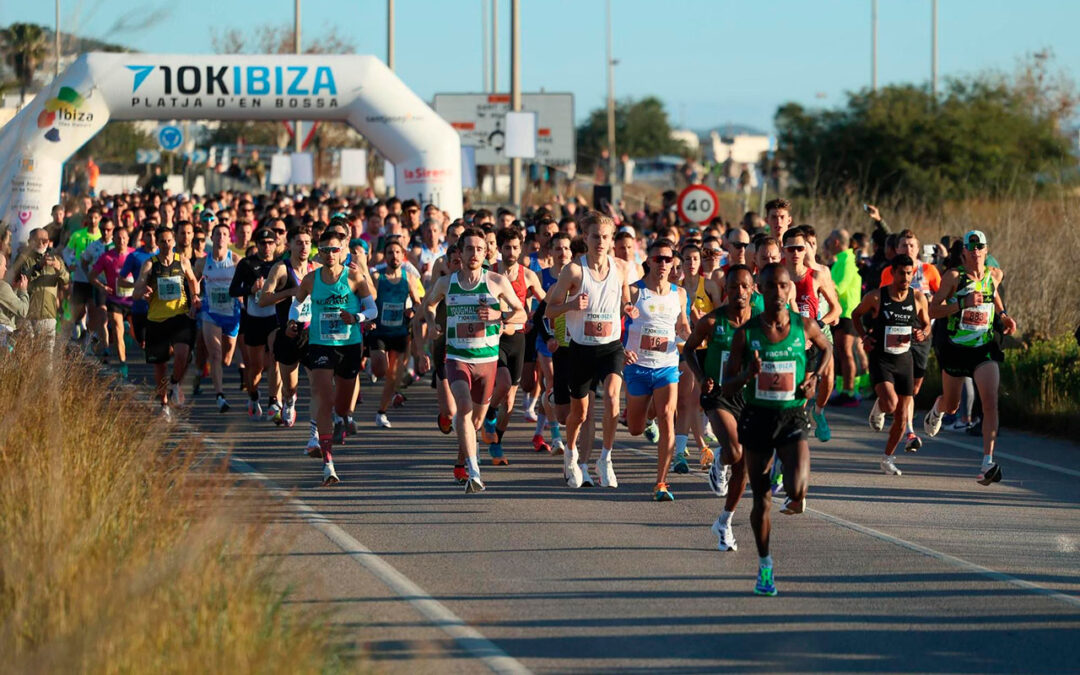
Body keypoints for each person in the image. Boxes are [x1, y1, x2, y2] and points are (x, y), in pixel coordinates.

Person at [723, 262, 832, 596]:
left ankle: (794, 487)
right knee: (763, 501)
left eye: (784, 286)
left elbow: (827, 349)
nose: (779, 292)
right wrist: (747, 376)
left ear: (790, 289)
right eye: (772, 286)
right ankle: (765, 565)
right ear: (761, 289)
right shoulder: (747, 333)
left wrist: (814, 376)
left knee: (798, 488)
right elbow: (726, 386)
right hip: (757, 418)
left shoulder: (805, 326)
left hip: (791, 417)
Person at [421, 228, 526, 494]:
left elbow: (521, 313)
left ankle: (462, 459)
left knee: (476, 421)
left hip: (487, 361)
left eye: (480, 249)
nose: (475, 254)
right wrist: (432, 324)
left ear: (486, 253)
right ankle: (474, 472)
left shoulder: (496, 282)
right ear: (460, 252)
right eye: (469, 249)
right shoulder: (447, 283)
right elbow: (429, 305)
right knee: (464, 409)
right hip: (457, 357)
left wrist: (498, 316)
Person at [545, 212, 633, 489]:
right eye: (595, 236)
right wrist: (571, 306)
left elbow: (625, 299)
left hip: (611, 347)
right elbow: (549, 311)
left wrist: (628, 308)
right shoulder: (573, 271)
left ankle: (605, 458)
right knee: (579, 414)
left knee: (611, 396)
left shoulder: (620, 268)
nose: (601, 242)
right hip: (581, 349)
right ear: (585, 237)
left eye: (606, 237)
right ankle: (571, 453)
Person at [924, 230, 1016, 485]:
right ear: (964, 251)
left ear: (987, 251)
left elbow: (995, 297)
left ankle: (987, 461)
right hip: (956, 347)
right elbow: (933, 309)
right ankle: (939, 408)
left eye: (980, 246)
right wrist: (961, 304)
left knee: (990, 401)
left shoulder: (993, 275)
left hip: (983, 347)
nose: (976, 251)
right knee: (952, 405)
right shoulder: (953, 277)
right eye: (971, 247)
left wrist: (1004, 316)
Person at [294, 229, 377, 486]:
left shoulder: (354, 277)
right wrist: (293, 320)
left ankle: (343, 418)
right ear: (319, 253)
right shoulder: (310, 279)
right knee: (323, 397)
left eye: (334, 249)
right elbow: (296, 305)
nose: (330, 254)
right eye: (325, 250)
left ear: (342, 251)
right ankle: (327, 461)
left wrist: (357, 318)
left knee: (341, 404)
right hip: (320, 345)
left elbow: (373, 308)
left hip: (349, 345)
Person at [684, 265, 759, 552]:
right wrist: (702, 378)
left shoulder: (760, 323)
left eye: (744, 286)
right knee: (735, 451)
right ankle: (719, 459)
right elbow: (689, 349)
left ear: (752, 289)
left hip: (749, 398)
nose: (739, 292)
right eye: (733, 286)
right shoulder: (713, 322)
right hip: (718, 396)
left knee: (744, 469)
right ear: (725, 289)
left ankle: (724, 522)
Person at [622, 239, 690, 500]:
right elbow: (618, 325)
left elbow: (683, 325)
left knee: (667, 417)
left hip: (667, 366)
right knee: (635, 429)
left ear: (673, 262)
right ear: (648, 261)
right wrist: (622, 350)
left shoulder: (679, 293)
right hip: (637, 367)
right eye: (657, 258)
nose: (663, 263)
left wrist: (688, 334)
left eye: (667, 258)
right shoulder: (634, 291)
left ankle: (661, 482)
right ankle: (643, 417)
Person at [852, 255, 931, 475]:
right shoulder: (877, 297)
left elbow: (927, 324)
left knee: (902, 416)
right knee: (891, 404)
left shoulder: (918, 298)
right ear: (893, 273)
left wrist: (922, 333)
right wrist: (864, 337)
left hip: (905, 359)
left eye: (909, 273)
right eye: (901, 273)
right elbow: (855, 315)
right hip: (881, 358)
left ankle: (887, 458)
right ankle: (880, 406)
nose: (905, 278)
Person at [482, 228, 545, 465]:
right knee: (504, 382)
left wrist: (533, 317)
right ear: (498, 248)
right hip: (493, 337)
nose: (511, 252)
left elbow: (546, 301)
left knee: (509, 402)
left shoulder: (528, 276)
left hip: (518, 338)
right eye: (506, 247)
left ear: (521, 249)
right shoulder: (490, 273)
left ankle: (496, 442)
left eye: (515, 247)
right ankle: (488, 412)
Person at [879, 229, 942, 450]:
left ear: (918, 248)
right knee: (903, 386)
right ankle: (909, 431)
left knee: (914, 388)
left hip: (922, 335)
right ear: (897, 249)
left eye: (912, 246)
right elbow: (883, 299)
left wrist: (931, 303)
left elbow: (943, 297)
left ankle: (886, 407)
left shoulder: (930, 270)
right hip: (897, 331)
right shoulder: (890, 271)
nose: (909, 249)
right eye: (904, 246)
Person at [133, 226, 201, 419]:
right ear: (157, 243)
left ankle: (175, 382)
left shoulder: (183, 261)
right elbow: (136, 291)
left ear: (173, 241)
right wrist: (143, 292)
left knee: (182, 354)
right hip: (156, 320)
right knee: (160, 364)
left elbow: (193, 280)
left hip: (179, 316)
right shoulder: (149, 264)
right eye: (162, 241)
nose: (165, 244)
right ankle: (163, 403)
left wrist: (195, 296)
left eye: (168, 240)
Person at [259, 225, 316, 433]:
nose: (303, 247)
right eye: (299, 242)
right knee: (290, 386)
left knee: (317, 384)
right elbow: (263, 299)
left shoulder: (315, 269)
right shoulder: (281, 269)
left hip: (312, 334)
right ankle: (289, 401)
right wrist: (291, 291)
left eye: (307, 243)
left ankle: (316, 431)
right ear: (290, 244)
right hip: (288, 334)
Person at [369, 240, 422, 429]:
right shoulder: (377, 276)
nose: (394, 256)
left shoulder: (409, 278)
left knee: (393, 377)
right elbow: (369, 301)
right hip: (380, 331)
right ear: (385, 255)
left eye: (398, 252)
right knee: (381, 370)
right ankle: (372, 364)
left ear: (403, 255)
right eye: (390, 252)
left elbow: (417, 301)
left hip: (400, 331)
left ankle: (381, 413)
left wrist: (413, 311)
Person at [231, 228, 281, 420]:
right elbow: (233, 290)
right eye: (263, 243)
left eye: (270, 243)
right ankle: (253, 396)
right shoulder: (246, 264)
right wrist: (250, 289)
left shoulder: (279, 264)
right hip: (253, 319)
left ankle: (274, 401)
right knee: (256, 366)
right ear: (256, 244)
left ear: (275, 244)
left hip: (273, 319)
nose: (266, 247)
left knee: (275, 360)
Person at [194, 222, 242, 413]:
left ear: (229, 239)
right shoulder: (202, 263)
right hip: (210, 312)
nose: (221, 237)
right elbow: (193, 281)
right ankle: (220, 396)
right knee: (215, 354)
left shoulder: (236, 260)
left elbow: (246, 282)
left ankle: (213, 370)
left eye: (224, 234)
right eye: (217, 234)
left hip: (232, 314)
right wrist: (195, 297)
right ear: (211, 238)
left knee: (227, 358)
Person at [7, 227, 68, 349]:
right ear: (30, 241)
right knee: (27, 353)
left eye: (44, 240)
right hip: (27, 314)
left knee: (46, 356)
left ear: (49, 241)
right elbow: (19, 279)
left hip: (48, 314)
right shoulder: (23, 258)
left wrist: (59, 268)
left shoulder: (56, 258)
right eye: (37, 240)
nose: (41, 243)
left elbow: (66, 280)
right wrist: (38, 267)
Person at [89, 225, 135, 377]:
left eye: (124, 238)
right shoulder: (107, 257)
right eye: (118, 238)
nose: (121, 240)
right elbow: (92, 276)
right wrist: (102, 287)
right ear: (113, 240)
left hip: (133, 300)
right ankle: (123, 363)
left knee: (136, 336)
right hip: (115, 299)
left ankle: (130, 331)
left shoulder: (134, 255)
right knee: (117, 328)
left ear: (128, 239)